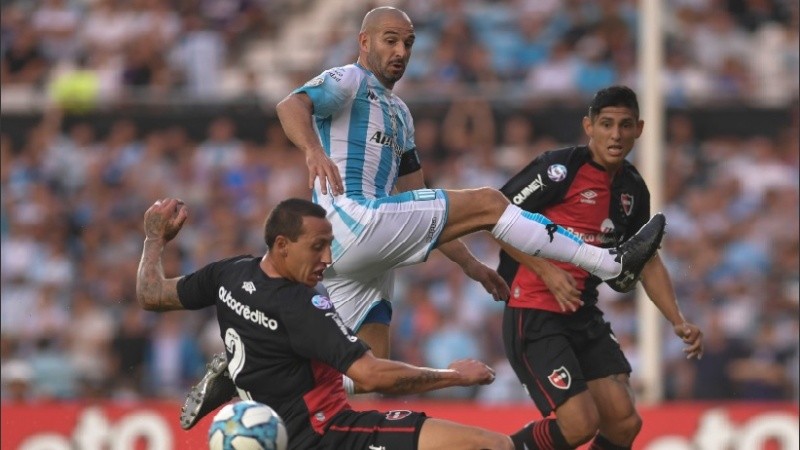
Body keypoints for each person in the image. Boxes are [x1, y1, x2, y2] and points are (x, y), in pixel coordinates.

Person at [180, 6, 666, 430]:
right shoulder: (349, 80)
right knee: (488, 201)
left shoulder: (401, 115)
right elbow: (291, 104)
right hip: (350, 220)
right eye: (390, 40)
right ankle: (609, 263)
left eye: (408, 43)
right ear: (365, 42)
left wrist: (472, 266)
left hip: (363, 248)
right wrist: (312, 150)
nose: (400, 51)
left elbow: (417, 199)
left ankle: (245, 376)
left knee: (369, 370)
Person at [136, 197, 516, 449]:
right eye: (317, 246)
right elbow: (372, 377)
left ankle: (244, 370)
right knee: (493, 445)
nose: (328, 258)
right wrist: (454, 376)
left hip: (283, 434)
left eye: (330, 244)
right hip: (332, 435)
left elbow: (152, 294)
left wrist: (154, 238)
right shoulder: (301, 306)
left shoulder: (229, 273)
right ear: (282, 245)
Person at [495, 86, 704, 450]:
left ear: (639, 129)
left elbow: (646, 259)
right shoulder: (559, 170)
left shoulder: (633, 189)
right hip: (534, 310)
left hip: (582, 314)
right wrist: (545, 271)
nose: (616, 134)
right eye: (606, 124)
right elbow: (494, 216)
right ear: (589, 126)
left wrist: (677, 320)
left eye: (625, 125)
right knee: (580, 424)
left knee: (624, 424)